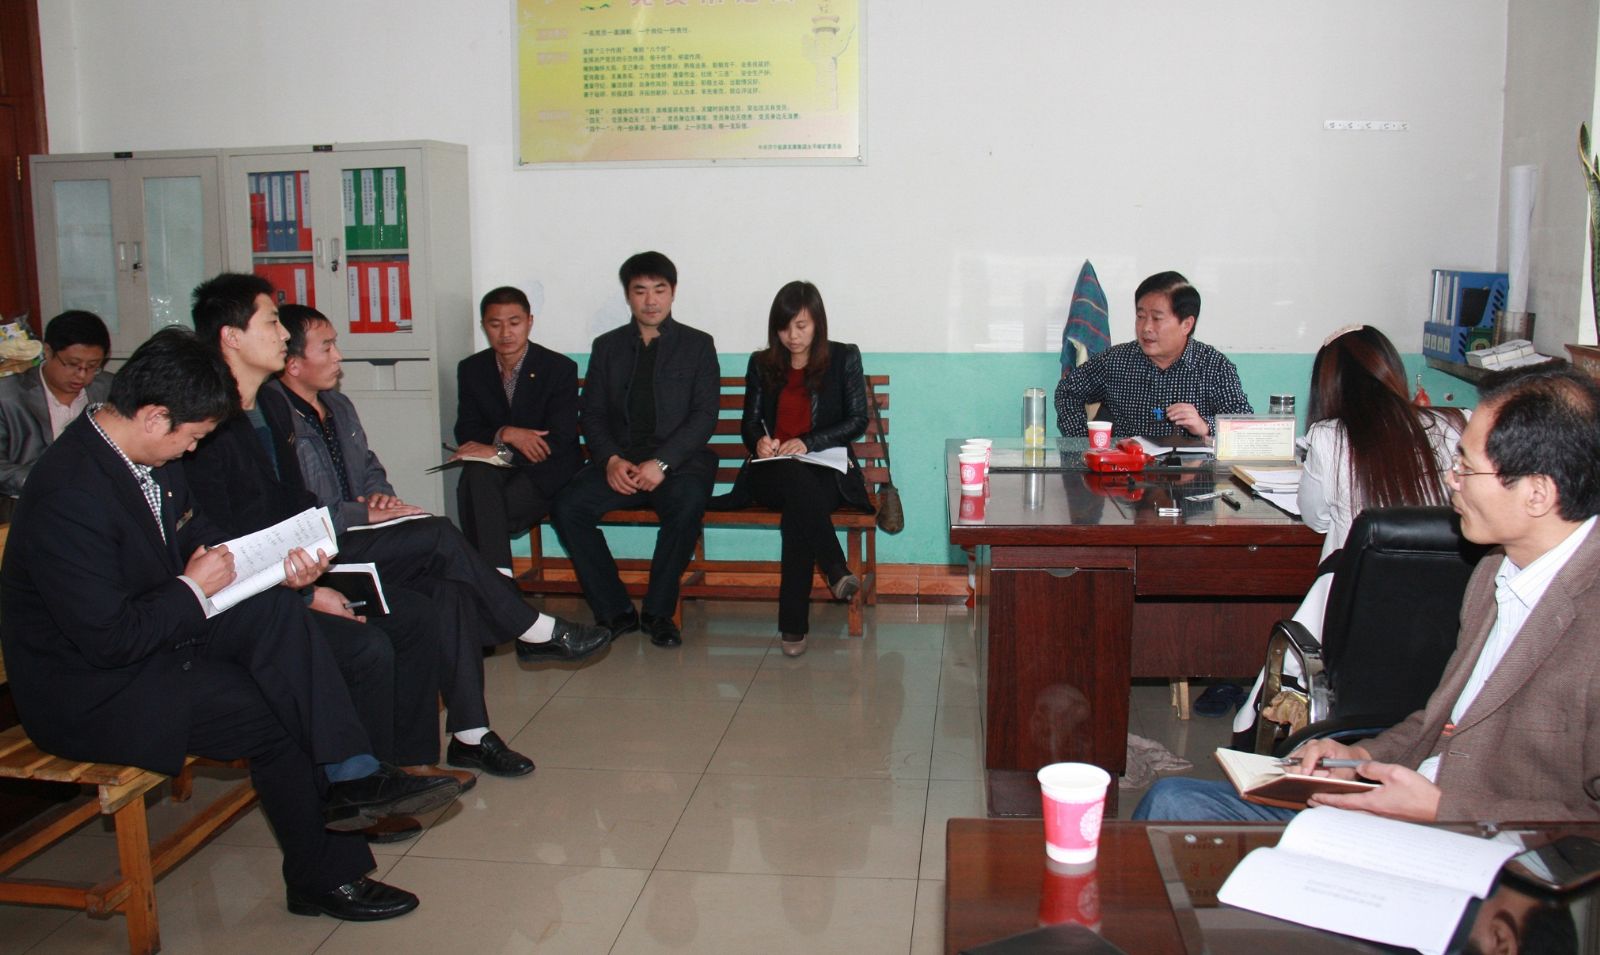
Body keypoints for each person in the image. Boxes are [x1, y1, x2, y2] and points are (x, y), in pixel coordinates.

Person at [0, 327, 459, 921]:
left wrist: (277, 568)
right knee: (277, 708)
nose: (192, 451)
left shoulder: (146, 456)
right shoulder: (69, 492)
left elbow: (197, 535)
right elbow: (111, 638)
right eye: (192, 437)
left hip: (160, 633)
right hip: (92, 686)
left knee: (277, 617)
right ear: (155, 417)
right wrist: (193, 587)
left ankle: (354, 774)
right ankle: (326, 874)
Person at [187, 277, 607, 781]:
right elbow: (293, 510)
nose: (339, 355)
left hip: (345, 539)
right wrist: (360, 514)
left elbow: (366, 466)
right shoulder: (258, 415)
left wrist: (380, 497)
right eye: (327, 346)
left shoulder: (328, 405)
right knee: (438, 534)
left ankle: (463, 739)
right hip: (321, 553)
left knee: (448, 589)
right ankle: (528, 627)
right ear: (290, 362)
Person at [1138, 365, 1600, 823]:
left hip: (1492, 845)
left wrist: (1443, 810)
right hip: (1411, 801)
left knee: (1178, 810)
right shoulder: (1494, 572)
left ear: (1537, 494)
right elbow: (1439, 722)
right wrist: (1360, 757)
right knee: (1172, 799)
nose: (1450, 480)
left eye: (1466, 468)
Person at [1231, 325, 1466, 735]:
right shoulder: (1452, 426)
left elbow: (1316, 518)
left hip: (1354, 641)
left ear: (1327, 387)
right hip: (1443, 640)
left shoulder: (1328, 437)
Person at [551, 251, 720, 648]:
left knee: (687, 505)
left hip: (678, 464)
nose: (650, 300)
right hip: (621, 462)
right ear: (628, 295)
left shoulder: (698, 345)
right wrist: (610, 460)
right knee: (567, 508)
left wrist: (663, 462)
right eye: (640, 290)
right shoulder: (607, 347)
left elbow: (704, 415)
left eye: (659, 290)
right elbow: (592, 413)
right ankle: (615, 611)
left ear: (673, 292)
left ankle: (659, 614)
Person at [717, 281, 871, 657]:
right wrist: (759, 441)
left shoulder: (843, 357)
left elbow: (857, 420)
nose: (793, 336)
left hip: (825, 468)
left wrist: (809, 442)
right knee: (795, 482)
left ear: (818, 323)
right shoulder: (762, 363)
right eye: (784, 328)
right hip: (772, 470)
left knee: (801, 505)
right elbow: (749, 423)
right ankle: (835, 569)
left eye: (801, 326)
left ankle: (793, 626)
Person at [451, 286, 582, 575]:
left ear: (529, 322)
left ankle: (490, 584)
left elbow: (558, 439)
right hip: (495, 473)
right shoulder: (472, 369)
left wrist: (499, 451)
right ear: (484, 326)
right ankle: (499, 583)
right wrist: (506, 433)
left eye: (514, 323)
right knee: (477, 475)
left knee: (482, 506)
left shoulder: (558, 368)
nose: (505, 333)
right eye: (495, 324)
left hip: (545, 469)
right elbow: (466, 430)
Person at [1053, 271, 1251, 440]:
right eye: (1140, 317)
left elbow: (1243, 424)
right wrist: (1084, 443)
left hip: (1193, 472)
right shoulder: (1115, 361)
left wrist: (1205, 425)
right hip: (1128, 470)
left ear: (1186, 325)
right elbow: (1067, 392)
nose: (1146, 327)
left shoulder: (1214, 366)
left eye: (1157, 318)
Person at [0, 310, 114, 506]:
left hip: (97, 505)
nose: (82, 375)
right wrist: (48, 480)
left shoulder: (110, 388)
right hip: (29, 506)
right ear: (47, 351)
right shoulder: (7, 396)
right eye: (72, 364)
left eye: (93, 366)